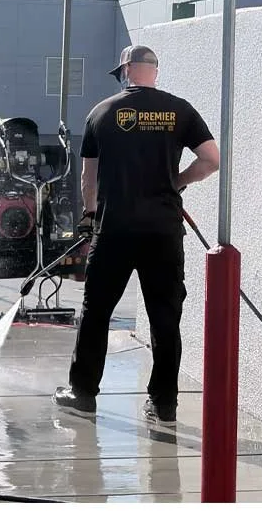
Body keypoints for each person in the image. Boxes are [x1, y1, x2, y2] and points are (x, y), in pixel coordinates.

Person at [53, 45, 220, 425]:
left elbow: (88, 177)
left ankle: (83, 395)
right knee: (165, 317)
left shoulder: (101, 112)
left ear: (126, 70)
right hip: (163, 230)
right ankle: (163, 405)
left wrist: (90, 214)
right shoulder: (180, 110)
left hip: (115, 230)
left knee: (96, 312)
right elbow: (211, 160)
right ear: (154, 72)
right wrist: (176, 182)